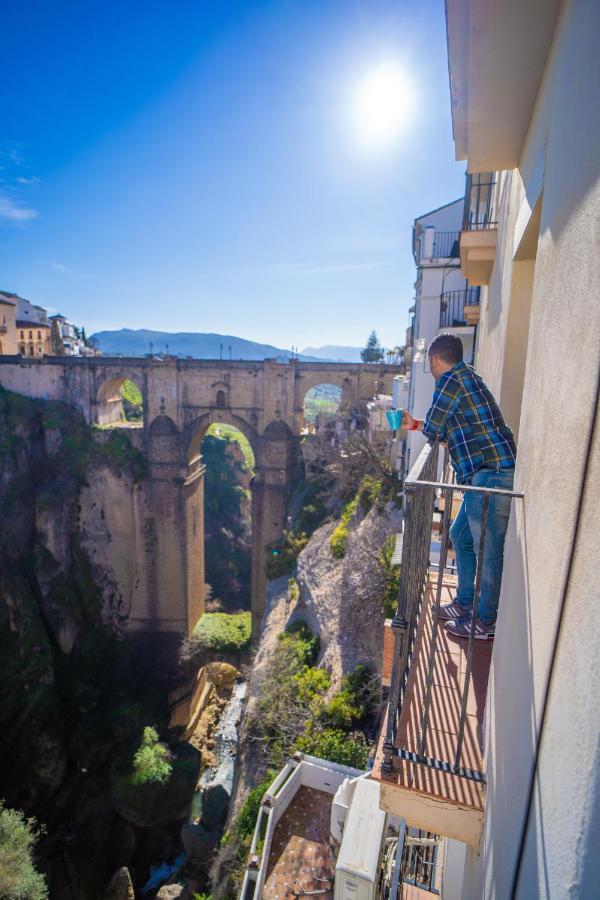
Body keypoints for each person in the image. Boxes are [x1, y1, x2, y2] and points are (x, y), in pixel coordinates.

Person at [402, 333, 516, 640]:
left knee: (486, 549)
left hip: (491, 473)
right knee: (461, 535)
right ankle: (466, 602)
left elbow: (435, 427)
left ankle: (486, 620)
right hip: (486, 472)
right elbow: (442, 427)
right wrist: (415, 424)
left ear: (435, 361)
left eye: (430, 363)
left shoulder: (450, 381)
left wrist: (419, 425)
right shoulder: (467, 377)